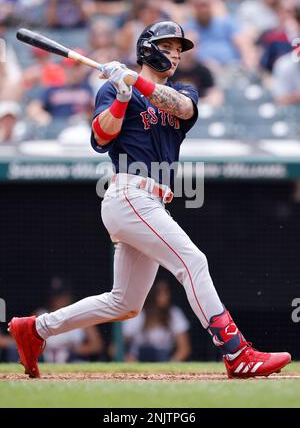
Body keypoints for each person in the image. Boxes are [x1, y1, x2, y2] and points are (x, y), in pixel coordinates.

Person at [9, 20, 291, 379]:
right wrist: (123, 97)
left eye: (178, 50)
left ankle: (35, 329)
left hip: (151, 201)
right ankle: (237, 353)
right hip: (129, 194)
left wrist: (134, 81)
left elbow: (183, 109)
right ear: (147, 49)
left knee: (125, 303)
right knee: (193, 262)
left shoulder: (184, 89)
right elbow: (100, 138)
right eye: (168, 47)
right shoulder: (113, 91)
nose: (174, 55)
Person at [123, 279, 191, 362]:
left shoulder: (174, 314)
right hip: (138, 363)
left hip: (164, 361)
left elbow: (184, 349)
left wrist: (168, 367)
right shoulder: (137, 315)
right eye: (161, 293)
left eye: (167, 292)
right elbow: (114, 348)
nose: (167, 296)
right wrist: (128, 359)